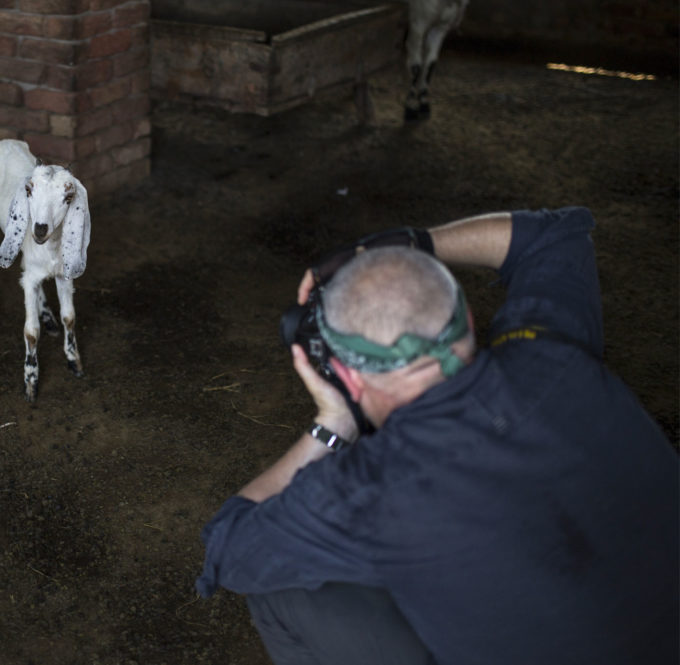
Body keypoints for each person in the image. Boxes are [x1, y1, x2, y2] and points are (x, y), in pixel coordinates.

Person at [196, 207, 679, 665]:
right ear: (466, 319)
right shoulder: (553, 352)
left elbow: (229, 545)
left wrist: (334, 424)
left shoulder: (369, 491)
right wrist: (409, 244)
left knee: (284, 589)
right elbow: (556, 234)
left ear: (345, 374)